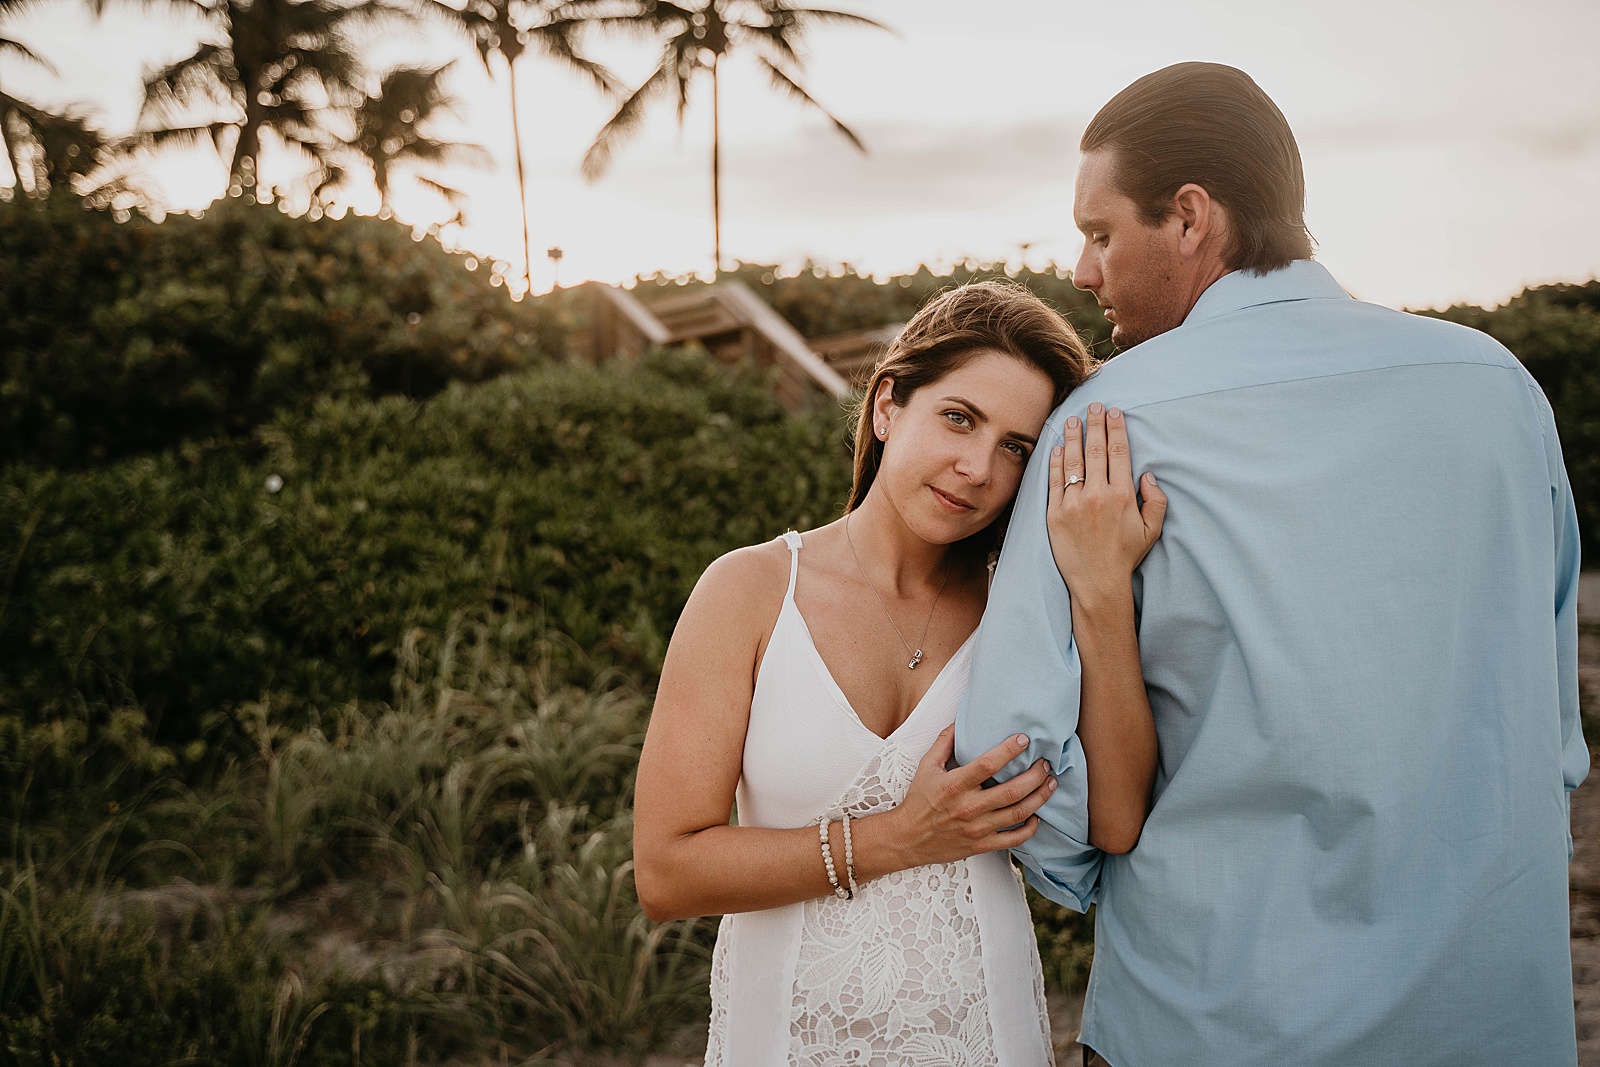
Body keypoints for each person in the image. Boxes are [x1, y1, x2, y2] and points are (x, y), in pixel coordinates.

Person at [956, 62, 1591, 1067]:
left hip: (1210, 1016)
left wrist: (1091, 867)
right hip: (1483, 1015)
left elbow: (1015, 757)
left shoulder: (1107, 427)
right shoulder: (1501, 391)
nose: (1082, 270)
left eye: (1100, 232)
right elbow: (1551, 727)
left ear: (1189, 216)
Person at [632, 281, 1167, 1066]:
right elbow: (666, 872)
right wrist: (897, 838)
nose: (977, 468)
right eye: (960, 417)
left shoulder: (1021, 611)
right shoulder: (749, 591)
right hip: (784, 1044)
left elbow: (1116, 821)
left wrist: (1103, 589)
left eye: (1016, 447)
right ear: (887, 405)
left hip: (984, 1037)